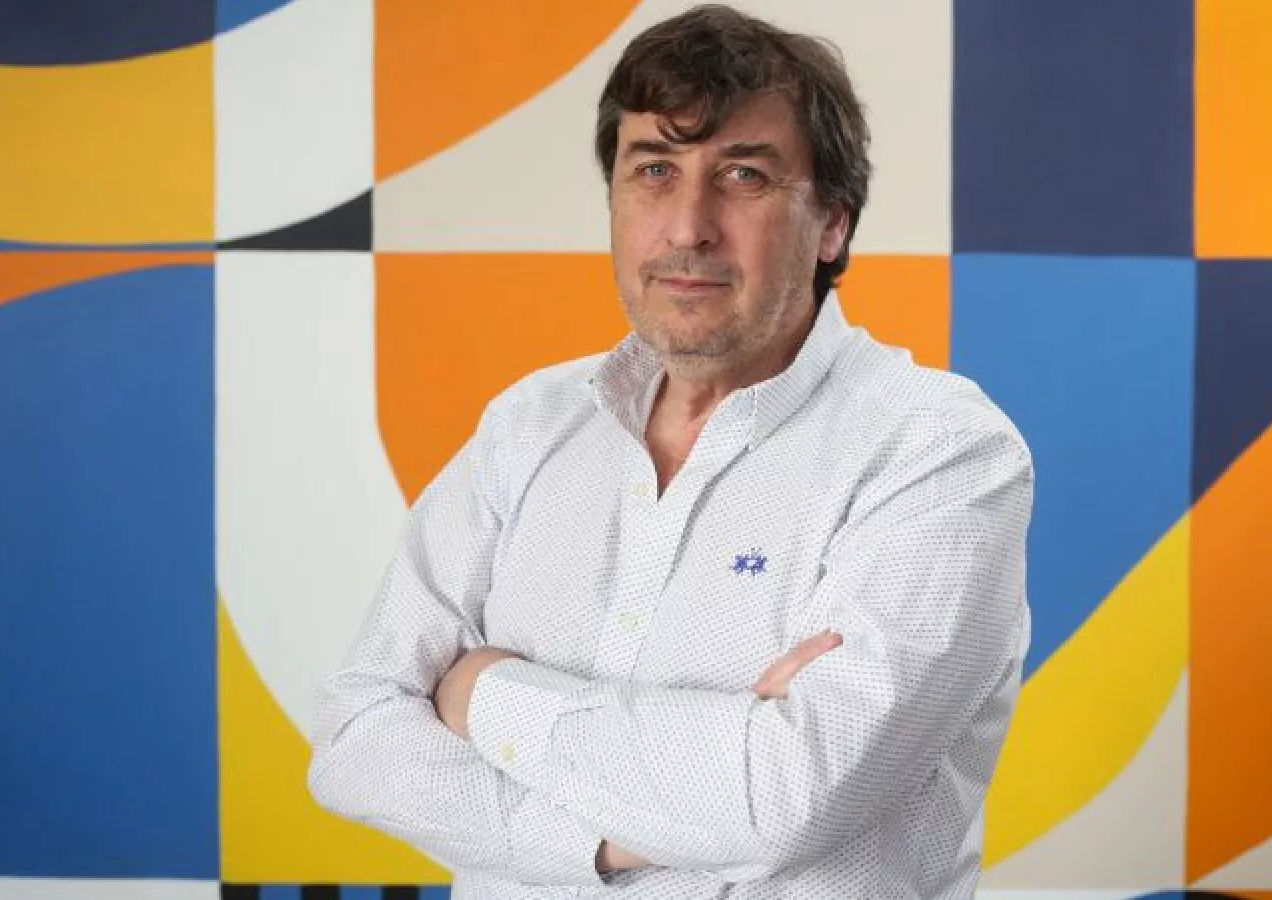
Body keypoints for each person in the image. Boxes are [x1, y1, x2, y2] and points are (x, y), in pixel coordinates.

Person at [309, 5, 1033, 897]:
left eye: (743, 176)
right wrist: (618, 838)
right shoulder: (528, 426)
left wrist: (483, 692)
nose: (688, 227)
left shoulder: (939, 453)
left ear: (832, 225)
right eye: (654, 169)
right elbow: (355, 738)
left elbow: (785, 798)